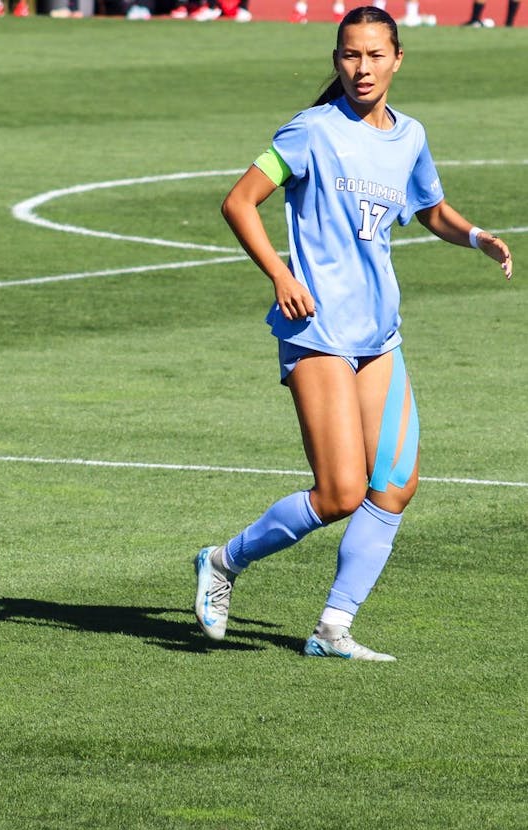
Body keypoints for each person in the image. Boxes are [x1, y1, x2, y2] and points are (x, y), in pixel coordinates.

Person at [194, 5, 513, 661]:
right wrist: (280, 274)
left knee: (394, 484)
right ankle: (223, 562)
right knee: (340, 490)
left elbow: (429, 208)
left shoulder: (411, 136)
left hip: (380, 335)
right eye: (348, 55)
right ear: (336, 60)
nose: (360, 67)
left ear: (398, 59)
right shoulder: (311, 132)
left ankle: (333, 629)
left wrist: (476, 236)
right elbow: (238, 201)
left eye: (373, 55)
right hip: (318, 331)